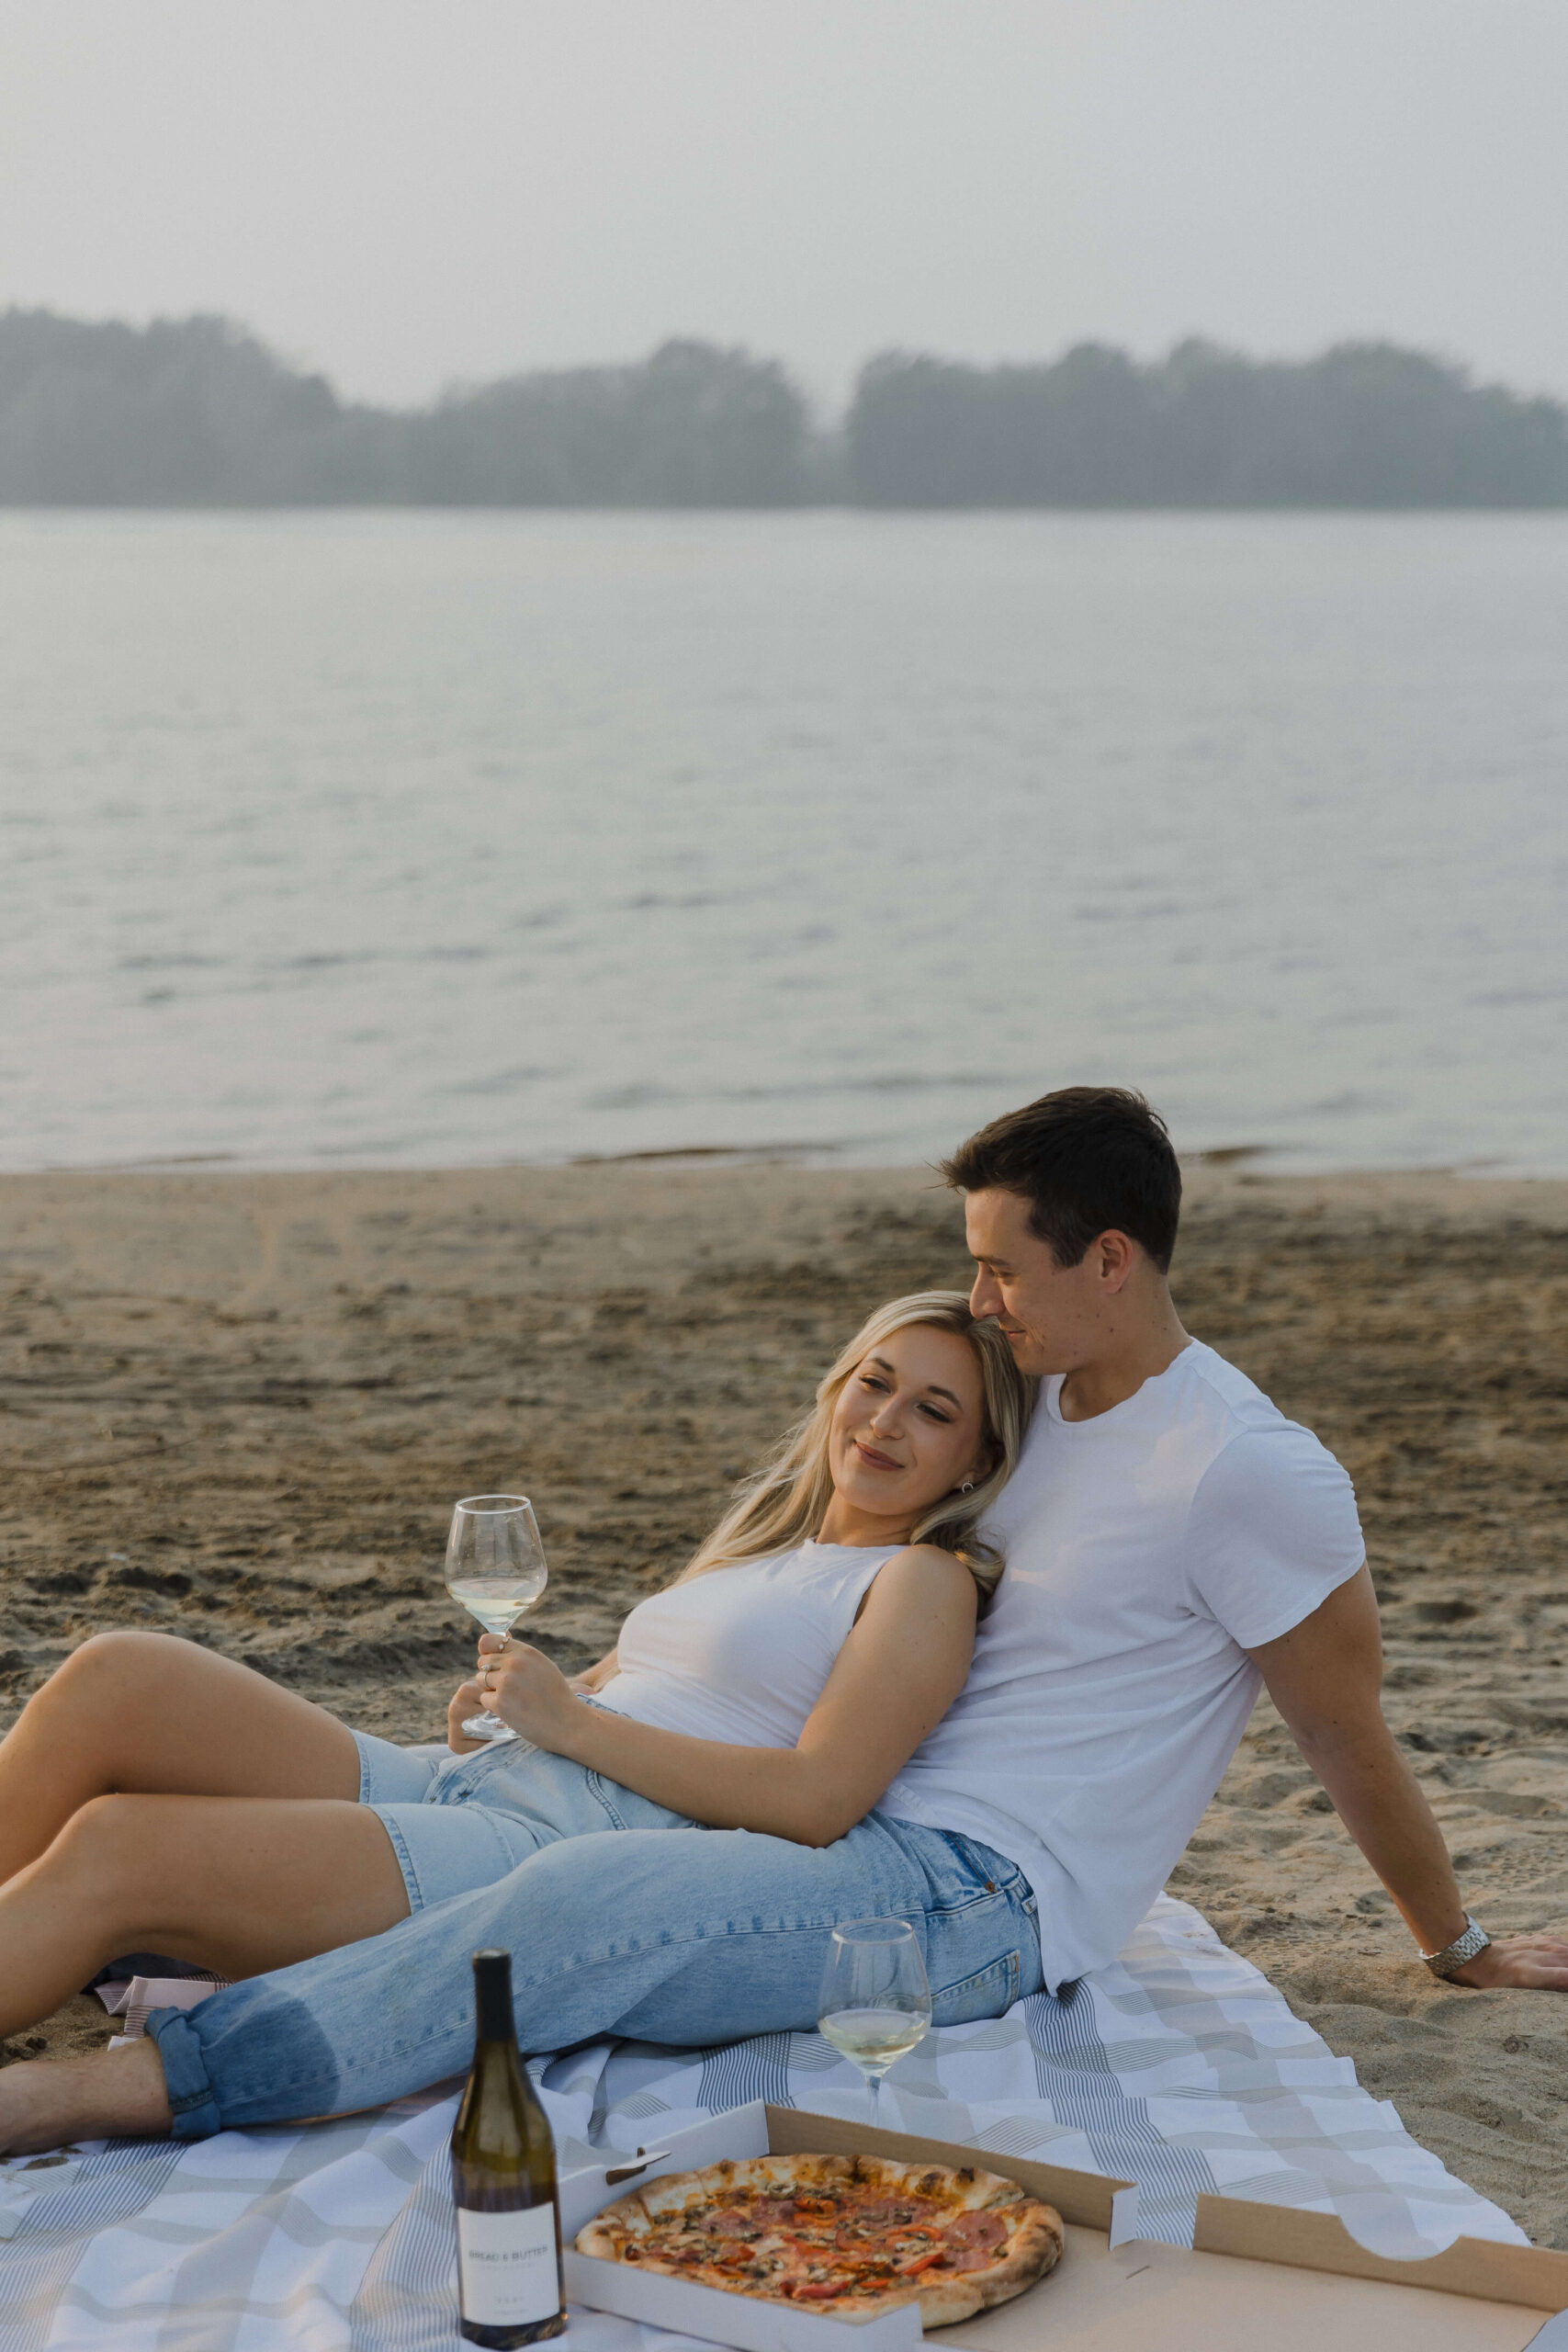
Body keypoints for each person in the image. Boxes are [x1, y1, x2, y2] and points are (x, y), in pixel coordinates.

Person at [6, 1087, 1567, 2157]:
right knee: (131, 1685)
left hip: (976, 1898)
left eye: (998, 1270)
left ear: (1108, 1259)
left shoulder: (1244, 1468)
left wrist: (1459, 1944)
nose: (981, 1301)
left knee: (570, 1905)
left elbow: (1342, 1728)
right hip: (831, 1834)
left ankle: (100, 2096)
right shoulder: (1041, 1412)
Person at [0, 1291, 1039, 2152]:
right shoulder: (768, 1550)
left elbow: (820, 1799)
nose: (886, 1420)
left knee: (121, 1844)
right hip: (476, 1784)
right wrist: (516, 1707)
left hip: (558, 1844)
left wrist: (575, 1728)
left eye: (934, 1411)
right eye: (876, 1381)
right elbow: (613, 1692)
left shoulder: (921, 1582)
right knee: (118, 1674)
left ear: (976, 1462)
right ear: (836, 1387)